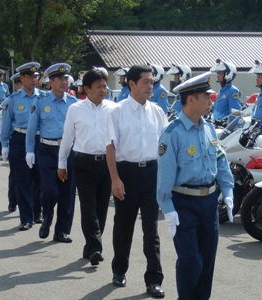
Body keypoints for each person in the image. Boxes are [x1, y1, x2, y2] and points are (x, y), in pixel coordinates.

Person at [157, 71, 234, 300]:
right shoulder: (172, 133)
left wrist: (228, 190)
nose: (211, 102)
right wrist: (167, 208)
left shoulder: (209, 128)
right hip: (183, 203)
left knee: (207, 260)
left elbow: (220, 159)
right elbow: (165, 175)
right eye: (206, 97)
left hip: (209, 202)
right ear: (191, 100)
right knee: (191, 260)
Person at [106, 65, 168, 298]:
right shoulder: (117, 111)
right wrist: (115, 179)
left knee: (151, 230)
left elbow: (165, 149)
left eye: (152, 81)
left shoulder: (157, 112)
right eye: (145, 82)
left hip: (152, 173)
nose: (150, 86)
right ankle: (119, 270)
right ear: (131, 84)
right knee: (123, 226)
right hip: (126, 173)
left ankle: (154, 279)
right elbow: (110, 147)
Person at [58, 69, 116, 265]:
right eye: (98, 86)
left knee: (101, 208)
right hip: (83, 163)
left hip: (107, 164)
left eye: (104, 85)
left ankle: (90, 247)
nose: (103, 89)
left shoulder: (113, 108)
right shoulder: (75, 109)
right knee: (88, 206)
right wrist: (61, 163)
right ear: (86, 89)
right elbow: (67, 138)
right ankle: (96, 248)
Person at [26, 63, 77, 243]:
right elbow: (32, 129)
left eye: (66, 79)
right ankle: (47, 219)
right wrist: (29, 151)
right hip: (47, 150)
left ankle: (62, 230)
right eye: (60, 79)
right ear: (51, 81)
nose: (64, 82)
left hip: (68, 150)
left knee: (67, 192)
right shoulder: (40, 101)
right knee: (49, 190)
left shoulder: (73, 103)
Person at [1, 62, 43, 230]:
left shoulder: (44, 97)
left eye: (35, 77)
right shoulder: (12, 99)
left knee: (39, 179)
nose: (34, 80)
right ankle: (25, 218)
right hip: (19, 139)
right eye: (30, 77)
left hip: (40, 140)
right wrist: (4, 144)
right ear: (22, 78)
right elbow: (6, 122)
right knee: (22, 180)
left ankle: (37, 212)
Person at [7, 72, 22, 213]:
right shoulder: (12, 99)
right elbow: (4, 119)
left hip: (33, 140)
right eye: (19, 83)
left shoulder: (39, 97)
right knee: (15, 174)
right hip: (16, 139)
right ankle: (13, 201)